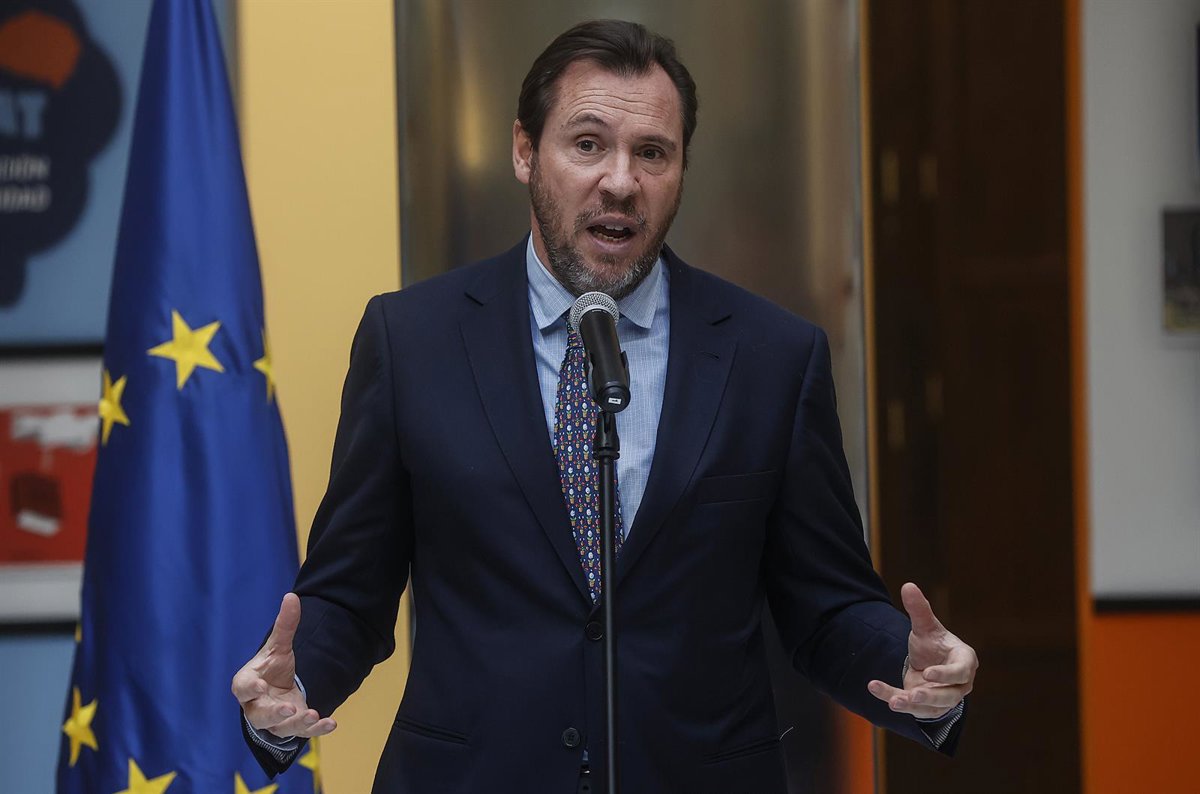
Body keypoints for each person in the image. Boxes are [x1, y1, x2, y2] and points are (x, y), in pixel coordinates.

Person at [232, 19, 978, 793]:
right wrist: (294, 684)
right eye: (588, 144)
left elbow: (825, 606)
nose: (621, 181)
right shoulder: (412, 341)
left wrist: (909, 668)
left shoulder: (771, 357)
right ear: (525, 151)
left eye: (652, 153)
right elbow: (351, 592)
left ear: (681, 169)